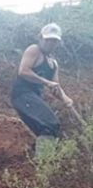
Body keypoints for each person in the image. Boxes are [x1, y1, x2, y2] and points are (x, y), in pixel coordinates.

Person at [11, 23, 73, 157]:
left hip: (34, 96)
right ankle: (44, 163)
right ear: (40, 38)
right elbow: (23, 71)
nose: (51, 43)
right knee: (50, 123)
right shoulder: (34, 50)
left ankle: (41, 164)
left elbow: (55, 86)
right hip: (22, 94)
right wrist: (46, 82)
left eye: (54, 41)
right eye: (48, 39)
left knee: (45, 128)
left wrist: (65, 98)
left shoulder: (53, 63)